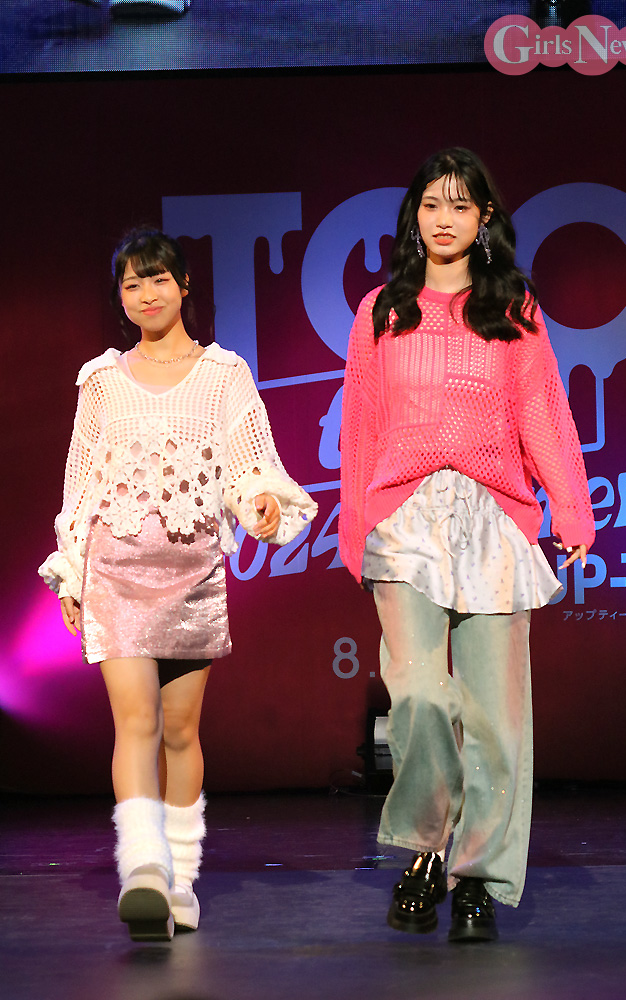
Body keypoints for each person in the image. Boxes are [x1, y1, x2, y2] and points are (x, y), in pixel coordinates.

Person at [339, 148, 594, 942]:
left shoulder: (511, 307)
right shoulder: (381, 311)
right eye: (430, 204)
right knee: (417, 696)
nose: (443, 219)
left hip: (493, 520)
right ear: (412, 216)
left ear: (484, 218)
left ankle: (476, 876)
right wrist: (353, 524)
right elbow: (360, 425)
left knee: (495, 722)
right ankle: (425, 849)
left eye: (459, 205)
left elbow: (541, 411)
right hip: (402, 518)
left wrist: (570, 509)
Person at [39, 228, 317, 942]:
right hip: (116, 568)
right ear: (120, 298)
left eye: (157, 278)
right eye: (131, 284)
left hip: (192, 571)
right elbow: (80, 485)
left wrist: (260, 503)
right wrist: (71, 571)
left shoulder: (224, 375)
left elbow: (251, 467)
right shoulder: (101, 381)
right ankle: (144, 871)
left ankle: (180, 878)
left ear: (184, 285)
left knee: (181, 729)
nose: (146, 294)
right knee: (134, 721)